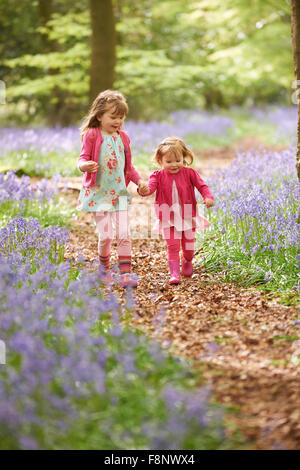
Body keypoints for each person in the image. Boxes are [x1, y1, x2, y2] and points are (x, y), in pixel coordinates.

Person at [77, 89, 148, 287]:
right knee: (106, 235)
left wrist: (139, 181)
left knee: (124, 234)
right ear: (99, 116)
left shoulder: (123, 138)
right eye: (113, 117)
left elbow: (128, 167)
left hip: (120, 194)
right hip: (99, 194)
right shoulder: (92, 135)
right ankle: (104, 268)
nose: (117, 121)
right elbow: (82, 158)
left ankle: (126, 273)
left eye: (121, 117)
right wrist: (84, 166)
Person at [138, 136, 214, 285]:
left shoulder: (190, 173)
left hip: (187, 215)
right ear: (160, 161)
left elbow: (202, 186)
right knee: (172, 246)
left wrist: (208, 196)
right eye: (169, 161)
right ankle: (174, 274)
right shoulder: (157, 176)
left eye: (178, 160)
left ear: (184, 158)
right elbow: (150, 188)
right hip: (167, 217)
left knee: (188, 247)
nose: (174, 164)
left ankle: (187, 260)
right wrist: (143, 190)